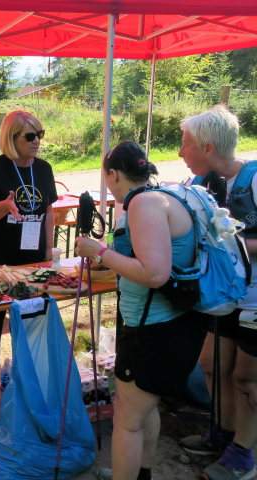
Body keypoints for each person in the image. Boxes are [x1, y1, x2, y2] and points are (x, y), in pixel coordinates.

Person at [75, 141, 209, 480]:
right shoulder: (163, 195)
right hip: (172, 322)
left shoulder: (143, 204)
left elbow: (154, 273)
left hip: (153, 330)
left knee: (127, 421)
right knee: (145, 407)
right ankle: (141, 473)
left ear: (113, 174)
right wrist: (111, 259)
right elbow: (153, 258)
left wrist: (99, 252)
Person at [177, 105, 257, 480]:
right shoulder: (201, 184)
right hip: (224, 297)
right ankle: (224, 434)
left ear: (208, 148)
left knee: (246, 378)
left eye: (185, 143)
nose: (180, 151)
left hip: (255, 302)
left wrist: (231, 243)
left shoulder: (254, 179)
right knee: (211, 364)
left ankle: (243, 455)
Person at [0, 110, 57, 391]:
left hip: (32, 255)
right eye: (30, 136)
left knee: (32, 309)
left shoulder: (43, 168)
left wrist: (49, 250)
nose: (37, 141)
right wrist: (4, 206)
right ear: (12, 138)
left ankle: (27, 362)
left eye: (40, 134)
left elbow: (48, 211)